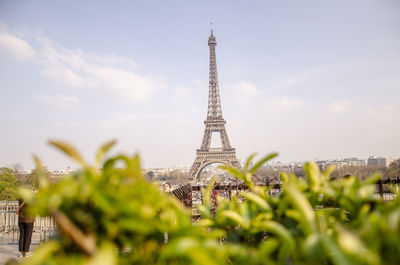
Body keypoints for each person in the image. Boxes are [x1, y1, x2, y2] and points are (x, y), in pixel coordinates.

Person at [16, 189, 36, 257]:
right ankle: (26, 252)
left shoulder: (20, 199)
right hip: (29, 220)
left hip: (21, 220)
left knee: (22, 236)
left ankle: (21, 252)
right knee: (28, 236)